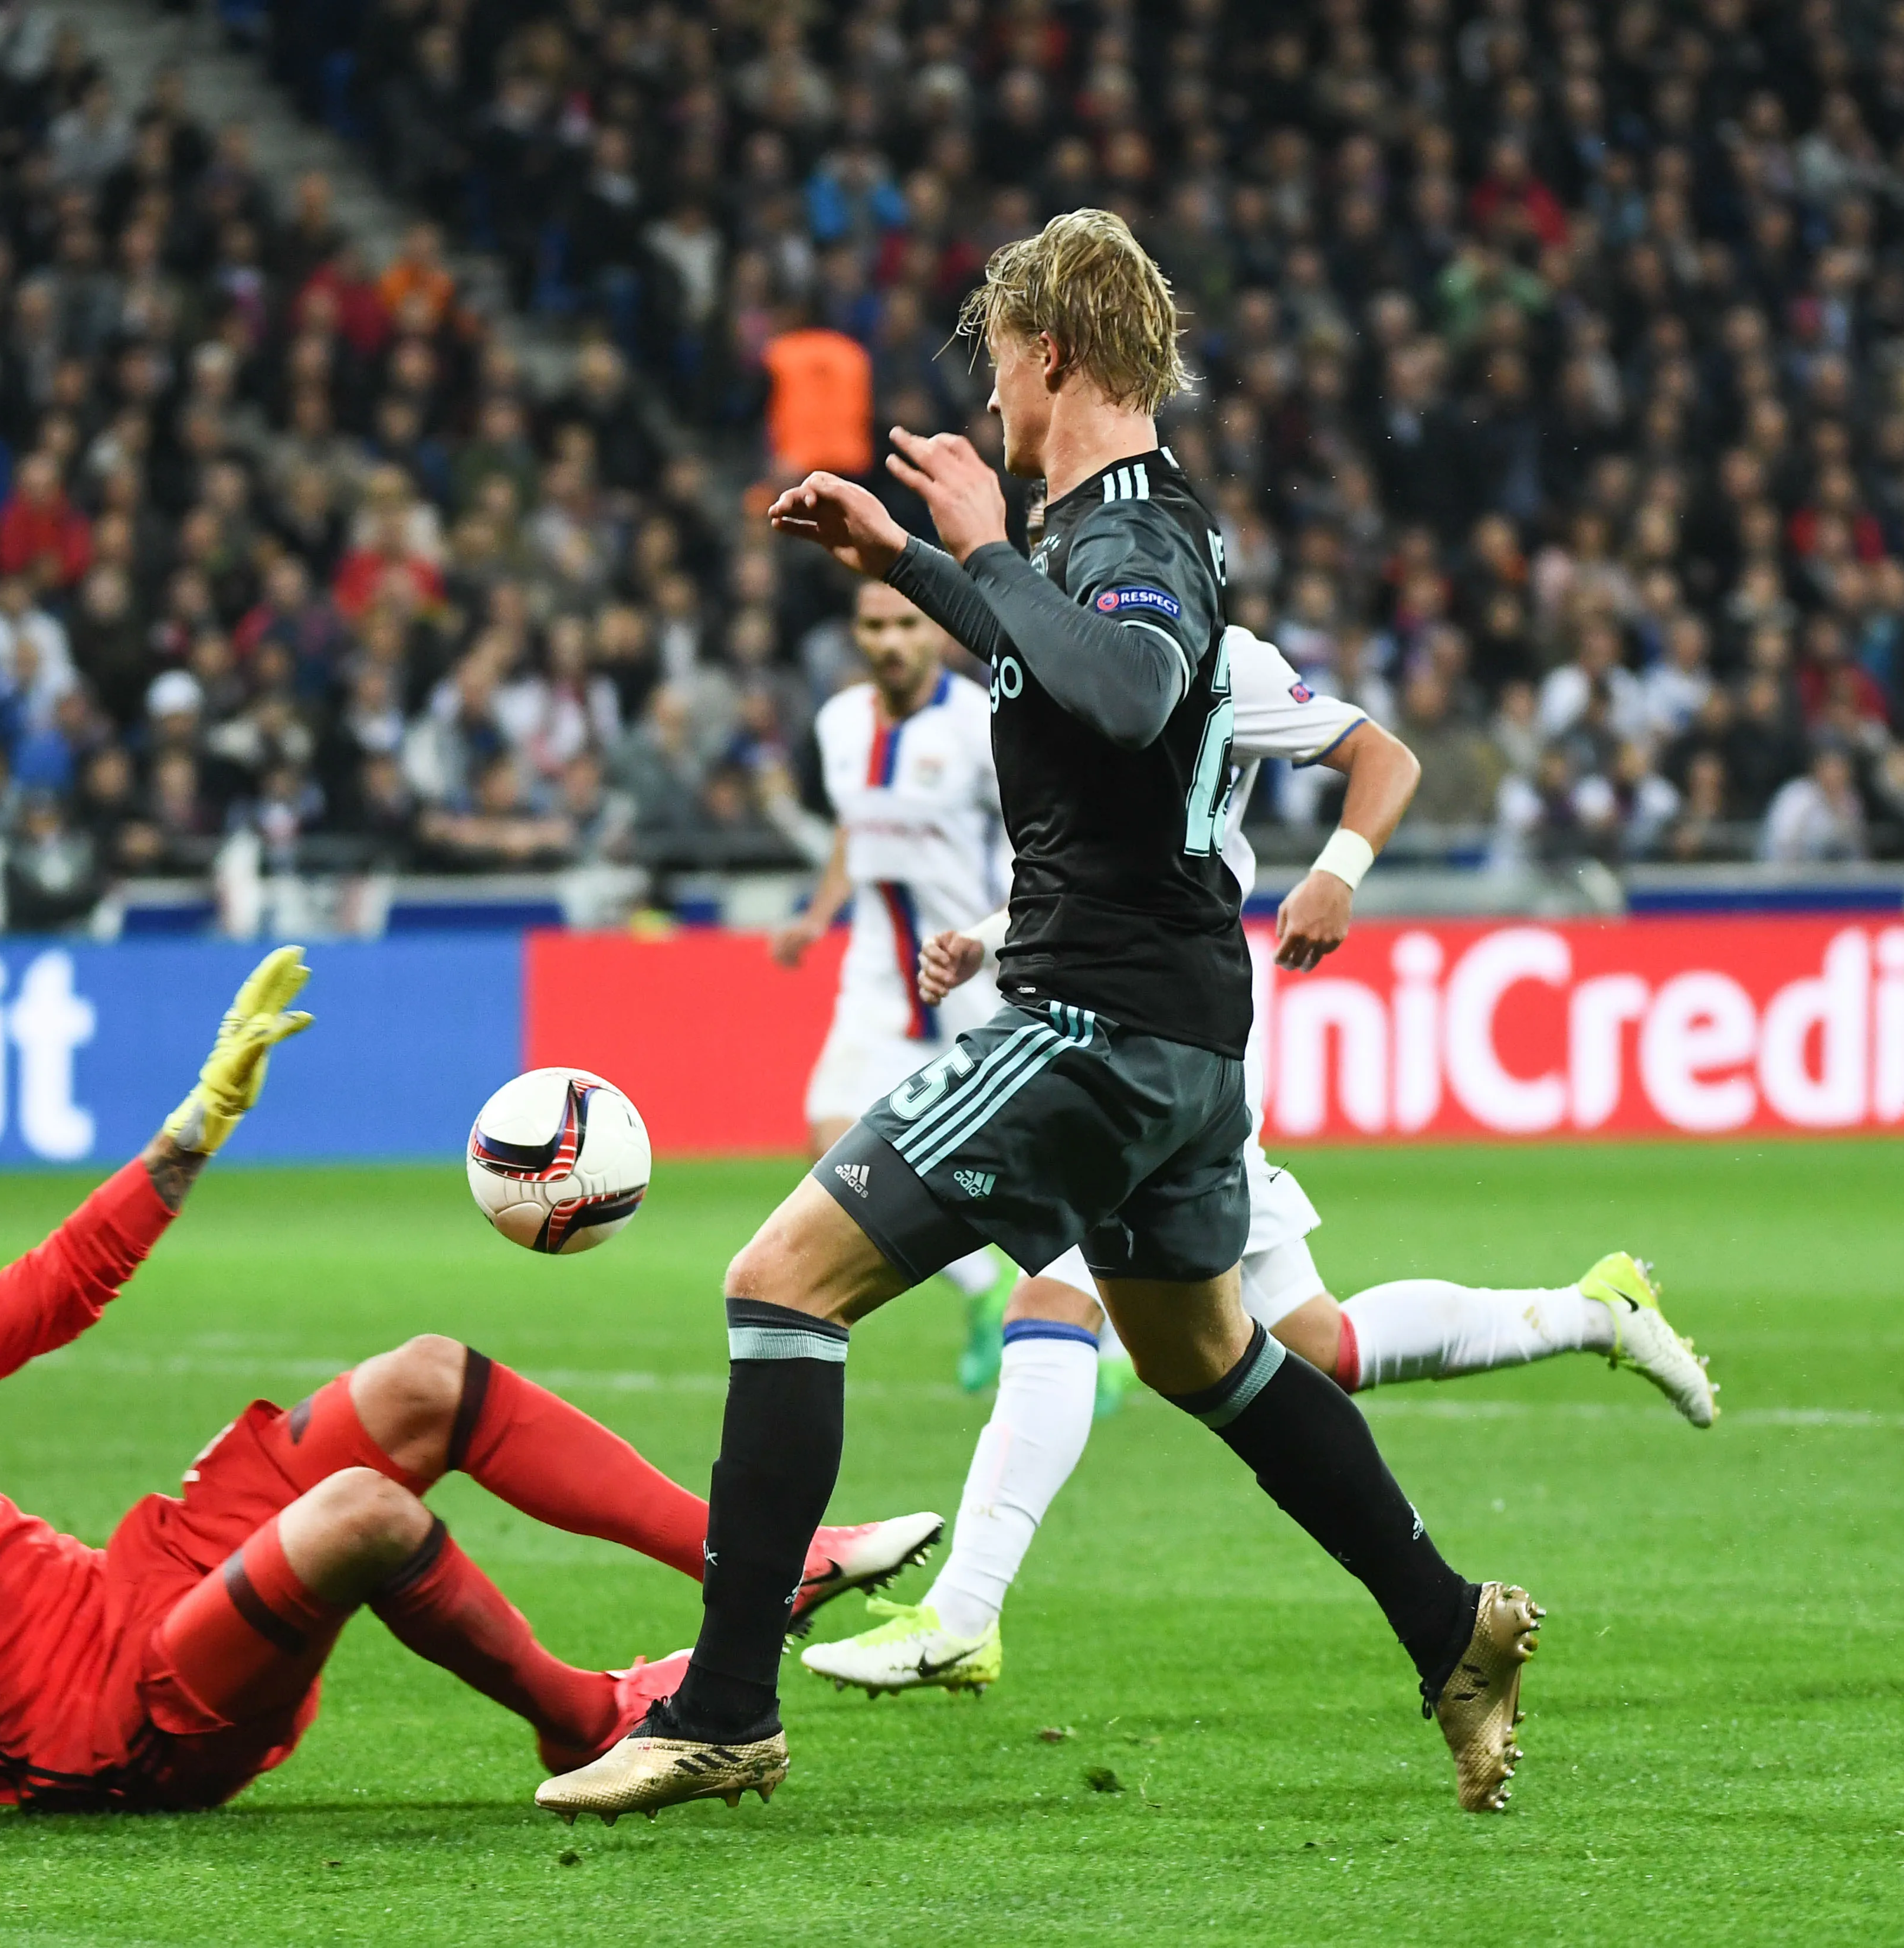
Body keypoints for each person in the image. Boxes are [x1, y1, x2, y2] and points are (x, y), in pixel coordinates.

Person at [541, 211, 1538, 1825]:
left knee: (779, 1281)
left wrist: (983, 544)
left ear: (1050, 352)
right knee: (1206, 1350)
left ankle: (725, 1709)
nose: (989, 393)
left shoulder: (1119, 531)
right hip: (1180, 1034)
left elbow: (1129, 688)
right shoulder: (1121, 531)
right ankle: (1447, 1624)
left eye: (996, 360)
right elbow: (1078, 676)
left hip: (1092, 1016)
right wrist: (913, 561)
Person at [0, 949, 939, 1812]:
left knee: (422, 1379)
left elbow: (49, 1291)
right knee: (362, 1514)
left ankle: (761, 1563)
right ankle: (587, 1719)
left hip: (136, 1591)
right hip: (111, 1730)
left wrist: (195, 1126)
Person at [801, 626, 1716, 1701]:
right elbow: (1102, 868)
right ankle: (1593, 1312)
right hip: (1107, 1017)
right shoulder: (1072, 675)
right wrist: (987, 932)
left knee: (1053, 1297)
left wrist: (1335, 871)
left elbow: (1384, 756)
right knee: (1314, 1344)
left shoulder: (1213, 660)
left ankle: (963, 1612)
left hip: (1169, 1038)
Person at [771, 578, 1013, 1388]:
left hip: (977, 968)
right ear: (856, 633)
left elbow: (1037, 831)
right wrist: (818, 912)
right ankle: (984, 1291)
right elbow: (855, 825)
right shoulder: (839, 722)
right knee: (828, 1140)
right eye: (874, 626)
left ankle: (1097, 1337)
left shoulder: (983, 723)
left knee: (1024, 1164)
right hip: (878, 969)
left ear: (935, 632)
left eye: (906, 624)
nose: (890, 642)